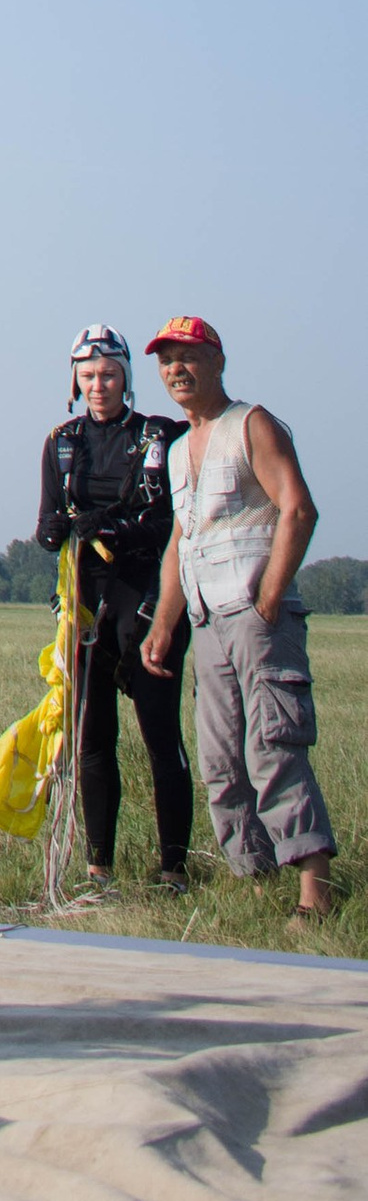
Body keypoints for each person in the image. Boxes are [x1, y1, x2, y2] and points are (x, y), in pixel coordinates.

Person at [140, 316, 334, 921]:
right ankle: (255, 881)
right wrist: (165, 624)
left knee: (273, 747)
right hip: (206, 624)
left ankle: (314, 892)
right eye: (167, 359)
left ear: (218, 361)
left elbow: (298, 510)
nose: (177, 368)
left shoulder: (252, 424)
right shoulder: (175, 452)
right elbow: (182, 541)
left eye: (190, 355)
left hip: (256, 618)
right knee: (221, 761)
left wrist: (270, 597)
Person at [34, 323, 192, 891]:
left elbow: (168, 522)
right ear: (75, 380)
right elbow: (48, 523)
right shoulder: (61, 442)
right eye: (88, 375)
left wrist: (112, 526)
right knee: (93, 739)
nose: (98, 384)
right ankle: (100, 865)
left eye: (108, 374)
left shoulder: (159, 436)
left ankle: (173, 866)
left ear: (126, 377)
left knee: (158, 733)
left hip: (147, 599)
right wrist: (54, 532)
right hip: (83, 602)